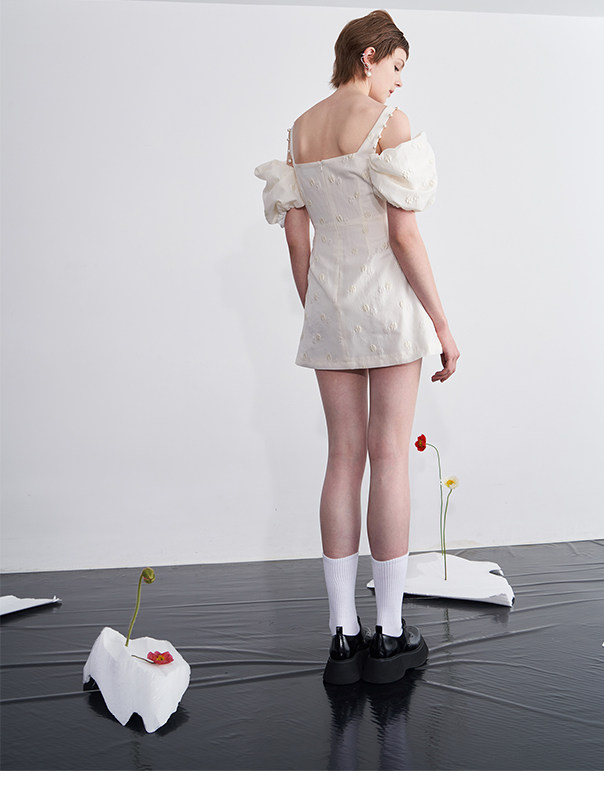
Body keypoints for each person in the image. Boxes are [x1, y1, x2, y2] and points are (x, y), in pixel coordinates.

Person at [255, 9, 459, 685]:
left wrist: (321, 307)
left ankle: (343, 637)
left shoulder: (299, 131)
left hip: (331, 310)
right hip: (389, 307)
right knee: (389, 455)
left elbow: (297, 241)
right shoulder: (387, 124)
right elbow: (404, 236)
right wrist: (442, 323)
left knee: (342, 457)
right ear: (368, 56)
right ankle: (390, 635)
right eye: (396, 67)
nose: (399, 83)